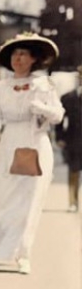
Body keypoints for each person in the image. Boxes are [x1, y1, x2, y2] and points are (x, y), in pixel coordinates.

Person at [0, 33, 64, 274]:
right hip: (10, 142)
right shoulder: (1, 88)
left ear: (34, 58)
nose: (17, 59)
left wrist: (43, 108)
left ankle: (24, 255)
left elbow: (58, 115)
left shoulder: (44, 85)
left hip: (34, 142)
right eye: (14, 54)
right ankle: (3, 252)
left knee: (30, 201)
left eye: (23, 54)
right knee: (6, 199)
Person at [55, 65, 82, 212]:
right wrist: (60, 137)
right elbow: (59, 119)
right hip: (74, 140)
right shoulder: (68, 98)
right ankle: (73, 202)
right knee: (73, 171)